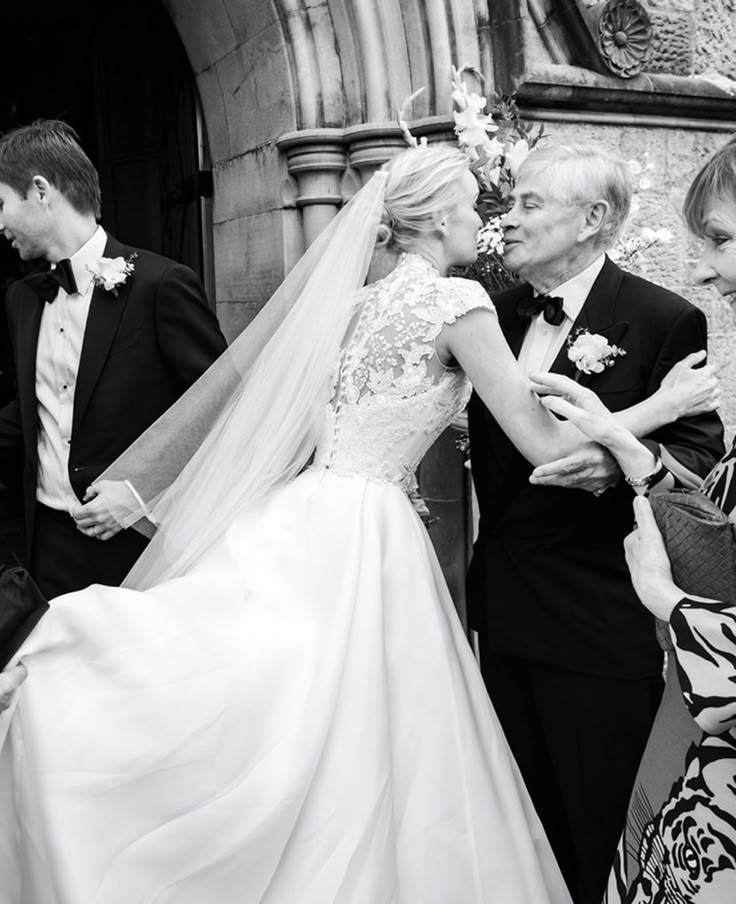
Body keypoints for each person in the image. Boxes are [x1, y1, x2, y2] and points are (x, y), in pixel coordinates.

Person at [0, 145, 717, 904]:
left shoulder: (351, 306)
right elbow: (541, 444)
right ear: (439, 218)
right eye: (476, 206)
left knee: (296, 709)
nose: (488, 221)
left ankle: (65, 673)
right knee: (367, 729)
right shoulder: (459, 305)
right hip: (371, 529)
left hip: (310, 511)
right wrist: (660, 408)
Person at [465, 143, 726, 904]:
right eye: (508, 203)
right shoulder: (488, 310)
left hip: (600, 615)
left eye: (528, 204)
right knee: (523, 821)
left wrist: (619, 457)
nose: (506, 220)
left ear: (594, 219)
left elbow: (700, 448)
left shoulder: (663, 317)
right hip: (504, 607)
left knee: (604, 824)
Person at [0, 120, 227, 598]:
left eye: (1, 204)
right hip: (48, 547)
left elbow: (223, 410)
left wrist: (141, 493)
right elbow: (26, 416)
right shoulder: (21, 299)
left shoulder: (161, 285)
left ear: (40, 191)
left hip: (139, 547)